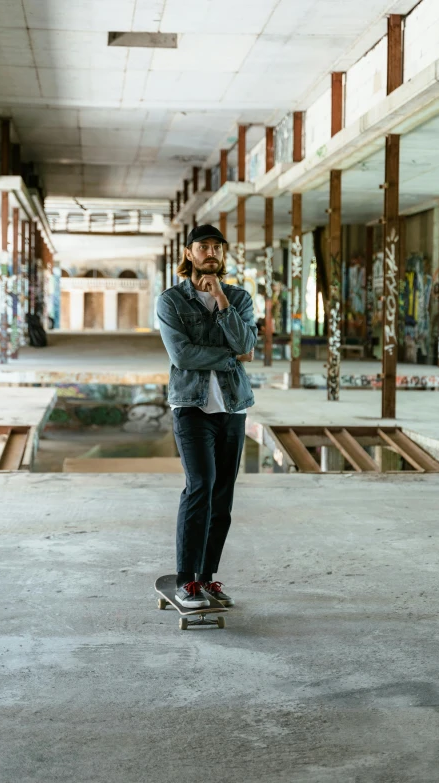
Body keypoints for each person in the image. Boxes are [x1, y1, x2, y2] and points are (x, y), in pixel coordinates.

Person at [157, 224, 257, 609]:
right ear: (189, 254)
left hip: (232, 408)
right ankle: (186, 581)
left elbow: (248, 342)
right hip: (191, 407)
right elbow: (182, 355)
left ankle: (207, 578)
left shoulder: (239, 299)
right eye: (203, 246)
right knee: (200, 487)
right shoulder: (171, 301)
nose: (211, 252)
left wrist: (222, 302)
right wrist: (231, 357)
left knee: (222, 496)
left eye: (217, 247)